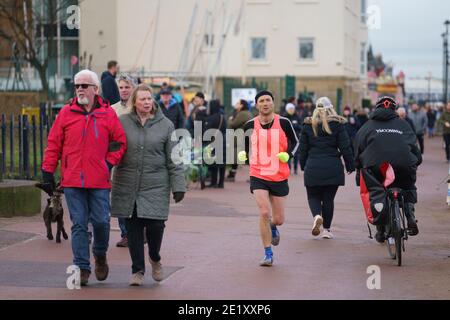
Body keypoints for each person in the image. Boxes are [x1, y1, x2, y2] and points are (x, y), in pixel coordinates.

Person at [41, 69, 127, 286]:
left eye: (84, 85)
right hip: (72, 181)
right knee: (79, 224)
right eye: (77, 85)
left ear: (95, 89)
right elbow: (53, 144)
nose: (79, 89)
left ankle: (99, 254)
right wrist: (47, 171)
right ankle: (82, 266)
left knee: (101, 222)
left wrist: (107, 164)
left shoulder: (108, 114)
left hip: (99, 181)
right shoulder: (66, 114)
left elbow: (119, 143)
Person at [110, 84, 186, 286]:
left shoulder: (166, 125)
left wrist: (179, 185)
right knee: (133, 229)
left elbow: (174, 158)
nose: (146, 102)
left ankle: (155, 257)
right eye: (142, 99)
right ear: (134, 102)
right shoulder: (122, 122)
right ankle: (137, 270)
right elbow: (113, 149)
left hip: (156, 184)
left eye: (148, 98)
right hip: (128, 183)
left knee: (155, 226)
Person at [242, 90, 299, 267]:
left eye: (268, 100)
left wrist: (288, 155)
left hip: (279, 173)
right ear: (257, 105)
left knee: (278, 219)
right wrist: (243, 155)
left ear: (273, 103)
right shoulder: (249, 125)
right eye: (261, 101)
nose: (265, 103)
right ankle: (268, 253)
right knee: (264, 212)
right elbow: (244, 145)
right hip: (258, 172)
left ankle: (273, 227)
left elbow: (296, 142)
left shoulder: (284, 122)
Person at [354, 96, 422, 242]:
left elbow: (358, 147)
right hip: (403, 165)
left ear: (376, 108)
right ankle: (410, 215)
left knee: (377, 192)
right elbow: (413, 146)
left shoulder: (367, 126)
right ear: (394, 109)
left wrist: (358, 165)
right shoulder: (403, 125)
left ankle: (380, 230)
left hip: (376, 167)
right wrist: (416, 161)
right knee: (408, 185)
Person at [299, 97, 355, 239]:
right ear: (331, 108)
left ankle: (317, 215)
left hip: (313, 165)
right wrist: (350, 165)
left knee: (313, 196)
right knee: (328, 200)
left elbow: (303, 149)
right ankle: (327, 230)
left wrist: (303, 164)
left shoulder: (307, 125)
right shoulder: (338, 125)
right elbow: (345, 147)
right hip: (333, 166)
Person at [111, 74, 137, 247]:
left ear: (133, 88)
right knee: (120, 197)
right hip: (118, 161)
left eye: (127, 87)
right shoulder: (112, 110)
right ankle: (126, 233)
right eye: (121, 87)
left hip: (137, 159)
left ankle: (139, 230)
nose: (124, 90)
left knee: (136, 197)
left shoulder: (140, 107)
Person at [226, 99, 253, 181]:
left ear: (242, 105)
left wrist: (230, 119)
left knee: (242, 157)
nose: (236, 104)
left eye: (238, 103)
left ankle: (255, 177)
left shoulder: (243, 114)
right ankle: (231, 174)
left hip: (241, 138)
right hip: (244, 137)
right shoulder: (244, 113)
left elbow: (233, 124)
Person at [204, 99, 227, 188]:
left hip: (213, 142)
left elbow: (206, 131)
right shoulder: (222, 117)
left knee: (213, 162)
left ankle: (213, 182)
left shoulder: (211, 117)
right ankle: (221, 183)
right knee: (222, 163)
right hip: (223, 141)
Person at [283, 103, 302, 175]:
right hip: (287, 139)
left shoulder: (297, 117)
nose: (291, 110)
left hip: (296, 138)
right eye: (290, 109)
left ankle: (295, 169)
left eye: (292, 109)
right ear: (287, 110)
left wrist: (295, 126)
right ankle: (289, 168)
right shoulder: (285, 118)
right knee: (288, 153)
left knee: (296, 154)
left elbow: (301, 127)